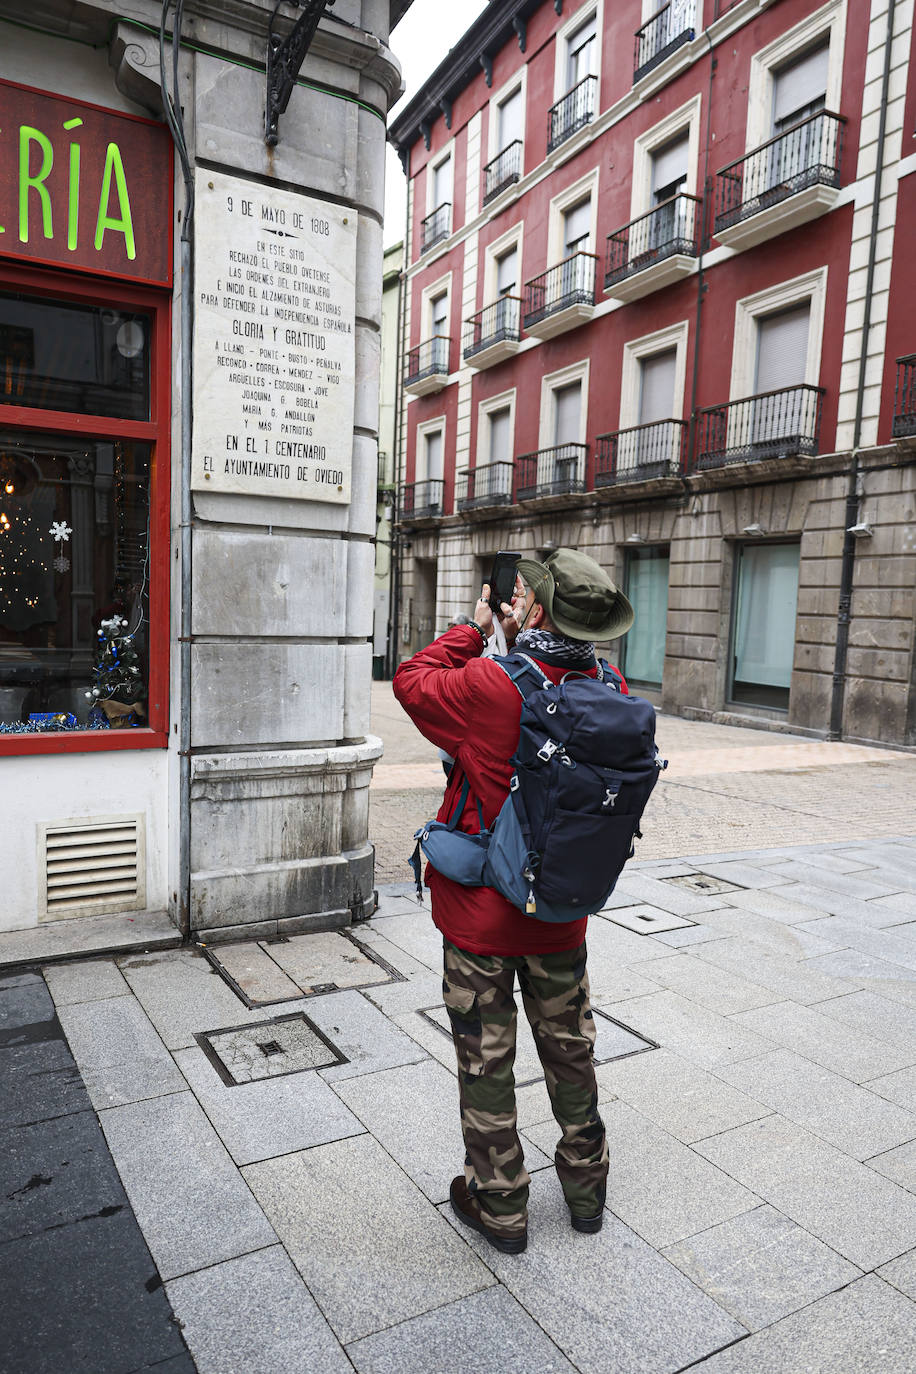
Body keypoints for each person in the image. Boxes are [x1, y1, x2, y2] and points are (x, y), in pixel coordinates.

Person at [393, 549, 635, 1253]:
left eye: (527, 592)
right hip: (561, 915)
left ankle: (500, 1207)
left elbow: (413, 682)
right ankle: (587, 1190)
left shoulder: (492, 685)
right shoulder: (611, 685)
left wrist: (472, 628)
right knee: (572, 1054)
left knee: (486, 1063)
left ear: (533, 610)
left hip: (483, 920)